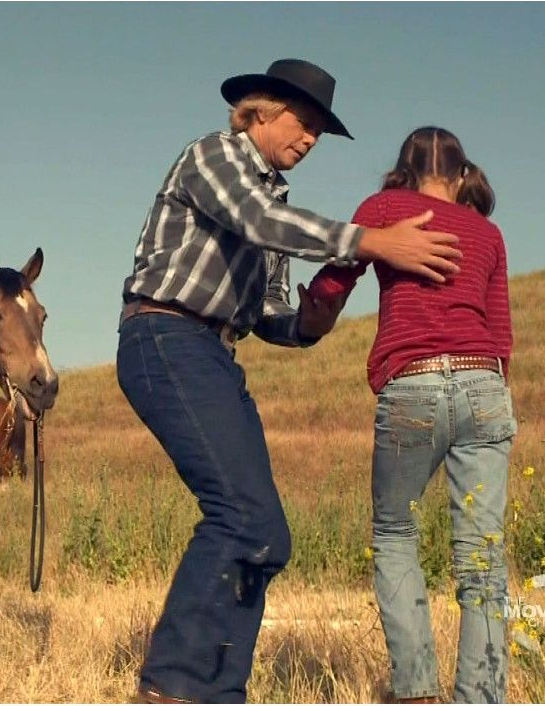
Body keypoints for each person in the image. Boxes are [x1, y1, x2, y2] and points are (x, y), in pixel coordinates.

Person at [115, 59, 465, 704]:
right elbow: (257, 221)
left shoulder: (276, 204)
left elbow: (268, 313)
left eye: (317, 134)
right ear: (261, 111)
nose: (308, 140)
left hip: (213, 351)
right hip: (164, 335)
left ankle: (222, 691)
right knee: (237, 514)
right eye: (302, 124)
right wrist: (371, 241)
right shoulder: (214, 156)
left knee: (266, 531)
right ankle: (171, 684)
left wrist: (310, 323)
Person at [310, 126, 514, 703]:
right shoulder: (488, 233)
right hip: (484, 383)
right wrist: (497, 400)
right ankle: (482, 696)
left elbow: (334, 280)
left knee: (396, 533)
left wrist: (310, 316)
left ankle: (417, 691)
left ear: (403, 169)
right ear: (461, 174)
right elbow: (501, 330)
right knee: (482, 556)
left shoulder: (384, 208)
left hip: (414, 383)